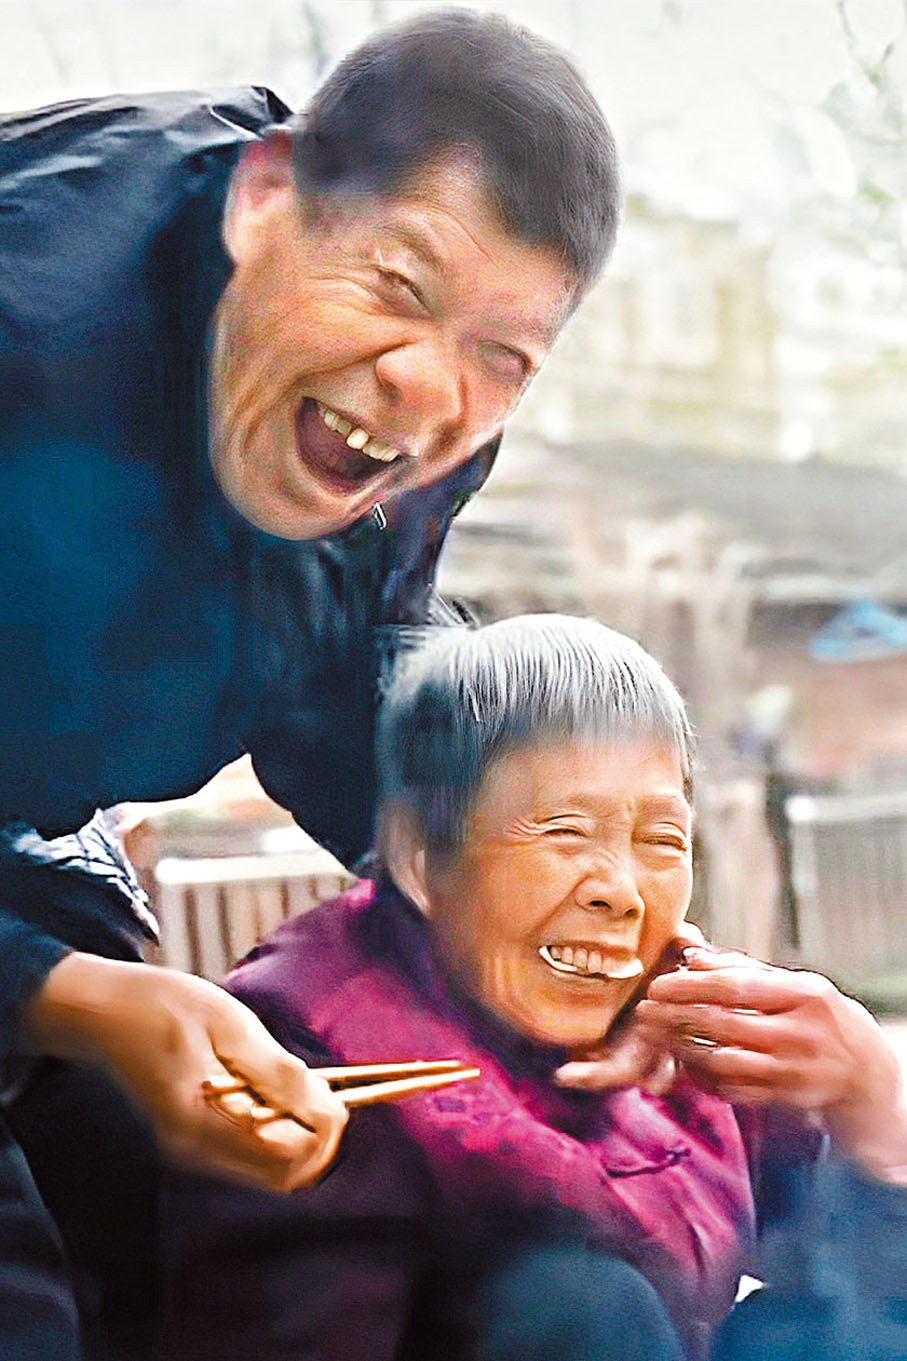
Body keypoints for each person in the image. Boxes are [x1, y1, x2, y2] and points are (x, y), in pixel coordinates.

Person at [0, 11, 620, 1357]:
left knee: (251, 1244)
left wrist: (536, 892)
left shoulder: (409, 424)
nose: (422, 388)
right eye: (398, 285)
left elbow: (351, 667)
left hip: (31, 859)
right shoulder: (30, 319)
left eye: (501, 357)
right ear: (266, 196)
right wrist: (54, 991)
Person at [157, 615, 907, 1361]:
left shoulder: (685, 1033)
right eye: (565, 831)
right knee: (578, 1303)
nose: (621, 892)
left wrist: (873, 1115)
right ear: (421, 859)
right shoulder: (297, 1065)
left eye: (660, 840)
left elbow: (858, 1304)